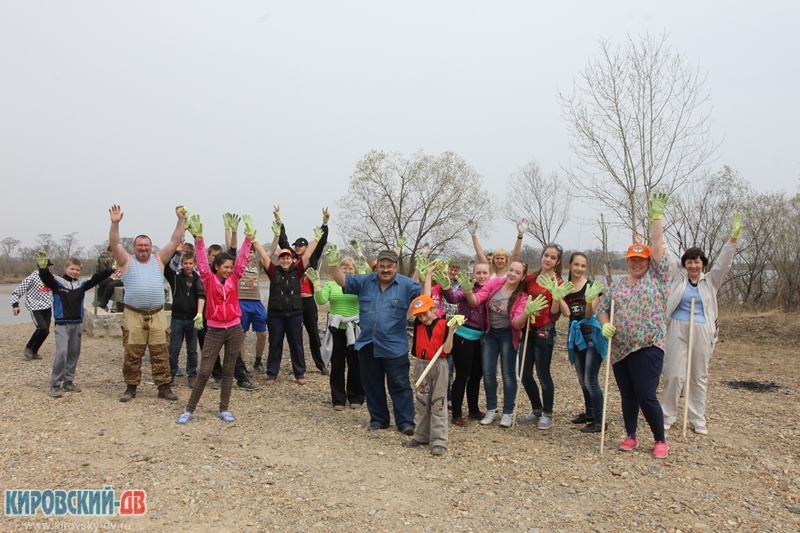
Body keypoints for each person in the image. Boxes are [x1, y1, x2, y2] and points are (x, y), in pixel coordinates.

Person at [597, 193, 672, 459]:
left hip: (648, 346)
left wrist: (657, 218)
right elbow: (602, 309)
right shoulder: (616, 286)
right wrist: (605, 325)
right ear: (627, 261)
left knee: (645, 394)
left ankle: (660, 439)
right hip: (620, 349)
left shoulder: (658, 278)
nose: (637, 262)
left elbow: (657, 243)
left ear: (649, 261)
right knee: (628, 395)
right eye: (633, 259)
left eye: (641, 259)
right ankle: (631, 435)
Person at [660, 213, 742, 435]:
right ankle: (667, 415)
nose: (693, 265)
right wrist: (657, 222)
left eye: (696, 261)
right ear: (684, 264)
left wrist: (732, 240)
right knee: (674, 374)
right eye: (689, 261)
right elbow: (665, 253)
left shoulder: (711, 281)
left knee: (698, 375)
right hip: (677, 326)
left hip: (703, 329)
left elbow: (725, 261)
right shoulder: (677, 277)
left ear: (702, 263)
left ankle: (697, 418)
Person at [328, 246, 421, 435]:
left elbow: (426, 299)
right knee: (372, 384)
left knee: (400, 385)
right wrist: (332, 265)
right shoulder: (364, 281)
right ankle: (379, 419)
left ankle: (405, 422)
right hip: (368, 343)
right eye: (382, 266)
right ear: (376, 266)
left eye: (390, 266)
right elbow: (343, 280)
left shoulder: (407, 285)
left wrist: (426, 274)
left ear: (396, 267)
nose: (385, 269)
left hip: (394, 346)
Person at [177, 213, 254, 424]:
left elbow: (242, 260)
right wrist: (199, 239)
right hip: (215, 329)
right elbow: (201, 262)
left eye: (231, 267)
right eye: (225, 267)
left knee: (229, 370)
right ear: (217, 267)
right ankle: (189, 410)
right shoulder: (208, 279)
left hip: (235, 329)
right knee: (204, 371)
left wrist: (248, 237)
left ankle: (224, 409)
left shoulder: (235, 277)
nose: (230, 270)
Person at [109, 204, 185, 403]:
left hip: (157, 313)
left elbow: (175, 240)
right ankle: (131, 387)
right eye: (139, 246)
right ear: (134, 248)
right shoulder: (126, 261)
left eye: (146, 246)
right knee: (133, 352)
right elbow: (114, 243)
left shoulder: (159, 259)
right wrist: (114, 224)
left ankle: (163, 387)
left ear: (151, 247)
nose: (143, 248)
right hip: (134, 314)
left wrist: (180, 220)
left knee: (160, 351)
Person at [461, 260, 529, 428]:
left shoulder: (522, 296)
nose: (512, 274)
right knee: (488, 372)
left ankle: (508, 412)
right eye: (511, 270)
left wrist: (527, 312)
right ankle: (492, 409)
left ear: (523, 276)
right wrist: (468, 291)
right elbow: (476, 300)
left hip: (507, 334)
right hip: (490, 333)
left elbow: (517, 324)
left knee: (508, 374)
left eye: (517, 272)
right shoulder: (495, 283)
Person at [35, 251, 112, 397]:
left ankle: (68, 382)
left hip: (77, 323)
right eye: (72, 269)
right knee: (62, 353)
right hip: (62, 323)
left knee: (73, 354)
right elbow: (45, 277)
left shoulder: (81, 284)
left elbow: (97, 278)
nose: (75, 272)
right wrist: (42, 267)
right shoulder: (57, 282)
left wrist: (111, 269)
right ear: (66, 269)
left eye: (77, 270)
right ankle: (55, 384)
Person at [253, 219, 320, 385]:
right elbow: (263, 255)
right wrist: (253, 239)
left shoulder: (297, 270)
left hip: (295, 314)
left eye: (287, 258)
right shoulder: (272, 271)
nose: (285, 260)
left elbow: (308, 254)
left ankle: (299, 373)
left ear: (291, 259)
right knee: (275, 344)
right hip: (276, 315)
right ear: (278, 259)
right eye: (282, 258)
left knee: (296, 345)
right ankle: (272, 374)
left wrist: (316, 240)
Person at [404, 264, 462, 456]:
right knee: (422, 401)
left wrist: (452, 332)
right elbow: (425, 296)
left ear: (434, 309)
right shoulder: (419, 325)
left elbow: (446, 350)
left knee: (438, 402)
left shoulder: (444, 323)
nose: (424, 317)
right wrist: (428, 274)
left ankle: (439, 440)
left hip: (439, 366)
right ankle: (421, 436)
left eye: (427, 313)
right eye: (420, 315)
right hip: (421, 366)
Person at [514, 244, 569, 430]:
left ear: (558, 261)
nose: (548, 259)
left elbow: (555, 314)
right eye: (546, 255)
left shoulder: (559, 282)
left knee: (543, 374)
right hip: (528, 329)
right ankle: (536, 409)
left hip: (545, 330)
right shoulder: (530, 278)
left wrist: (555, 295)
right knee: (524, 373)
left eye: (553, 257)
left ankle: (547, 413)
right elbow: (519, 297)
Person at [277, 206, 330, 375]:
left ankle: (320, 364)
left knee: (313, 333)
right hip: (294, 301)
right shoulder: (291, 259)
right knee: (295, 335)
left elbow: (320, 242)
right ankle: (299, 367)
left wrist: (324, 223)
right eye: (296, 246)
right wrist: (279, 221)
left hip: (308, 301)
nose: (298, 247)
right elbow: (283, 241)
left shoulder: (312, 257)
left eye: (301, 245)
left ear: (307, 247)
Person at [307, 256, 365, 410]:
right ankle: (338, 399)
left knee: (355, 364)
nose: (347, 270)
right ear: (338, 269)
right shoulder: (331, 285)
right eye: (344, 268)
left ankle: (356, 396)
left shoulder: (359, 284)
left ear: (354, 270)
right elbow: (320, 301)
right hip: (336, 330)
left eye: (350, 268)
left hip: (355, 330)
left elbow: (367, 296)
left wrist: (363, 271)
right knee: (337, 365)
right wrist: (317, 285)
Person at [438, 261, 490, 426]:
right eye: (478, 273)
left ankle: (473, 410)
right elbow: (453, 298)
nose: (481, 276)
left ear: (489, 274)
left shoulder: (491, 289)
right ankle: (457, 413)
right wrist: (446, 288)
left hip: (481, 338)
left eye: (485, 273)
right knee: (462, 376)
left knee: (476, 375)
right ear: (473, 274)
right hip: (463, 336)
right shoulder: (467, 287)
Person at [560, 253, 607, 433]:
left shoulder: (592, 286)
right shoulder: (564, 287)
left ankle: (600, 421)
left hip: (592, 334)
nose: (579, 269)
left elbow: (589, 314)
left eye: (583, 266)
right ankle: (589, 413)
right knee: (581, 379)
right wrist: (558, 297)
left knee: (590, 379)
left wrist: (588, 300)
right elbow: (566, 313)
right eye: (576, 265)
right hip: (576, 333)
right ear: (570, 265)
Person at [225, 213, 268, 376]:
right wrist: (228, 229)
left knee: (262, 334)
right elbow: (231, 248)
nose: (249, 254)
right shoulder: (236, 264)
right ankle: (241, 365)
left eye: (251, 252)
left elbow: (269, 252)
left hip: (256, 302)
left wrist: (273, 236)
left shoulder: (258, 264)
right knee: (240, 335)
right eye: (247, 252)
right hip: (240, 302)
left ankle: (258, 361)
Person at [164, 252, 206, 387]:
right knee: (173, 348)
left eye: (190, 263)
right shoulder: (176, 278)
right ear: (181, 264)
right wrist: (175, 252)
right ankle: (170, 373)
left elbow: (201, 295)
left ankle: (192, 375)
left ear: (194, 265)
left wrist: (199, 314)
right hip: (177, 318)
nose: (188, 266)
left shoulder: (198, 279)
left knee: (192, 349)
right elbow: (165, 266)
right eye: (185, 263)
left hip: (192, 318)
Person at [10, 263, 54, 360]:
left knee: (46, 331)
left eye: (48, 266)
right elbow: (17, 292)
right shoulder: (32, 278)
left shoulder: (51, 278)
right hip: (35, 307)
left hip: (47, 307)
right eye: (45, 266)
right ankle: (29, 347)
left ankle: (34, 351)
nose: (47, 268)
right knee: (41, 328)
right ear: (39, 266)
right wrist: (15, 305)